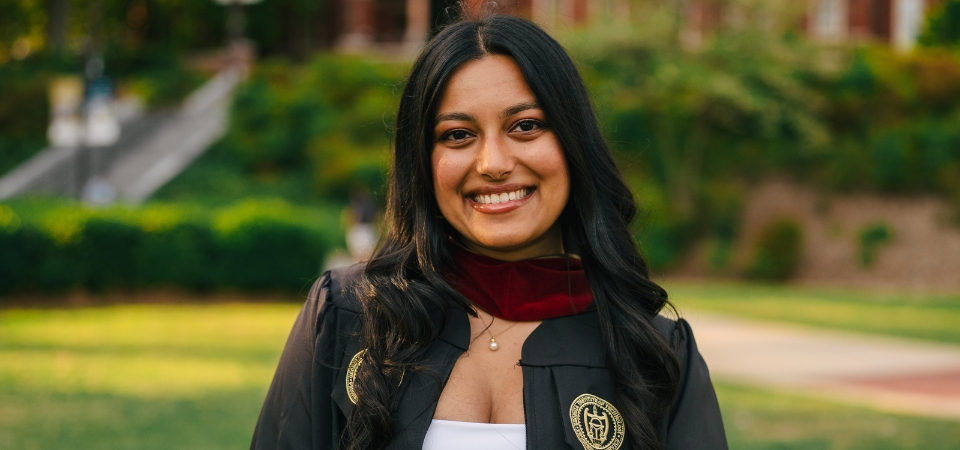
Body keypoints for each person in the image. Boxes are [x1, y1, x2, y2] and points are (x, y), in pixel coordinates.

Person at [251, 13, 727, 450]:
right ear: (423, 161)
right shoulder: (350, 316)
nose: (494, 164)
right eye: (458, 134)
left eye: (525, 126)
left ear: (573, 144)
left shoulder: (656, 354)